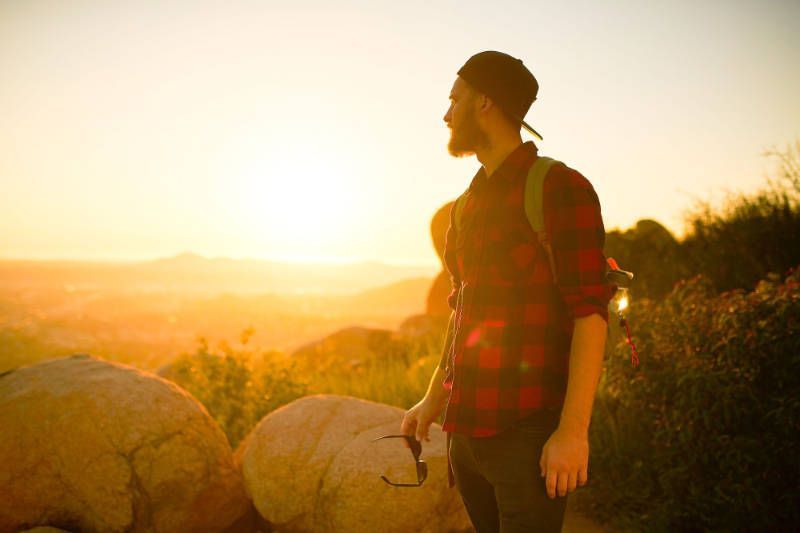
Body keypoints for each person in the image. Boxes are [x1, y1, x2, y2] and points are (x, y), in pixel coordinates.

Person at [400, 51, 613, 533]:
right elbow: (463, 315)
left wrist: (573, 432)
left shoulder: (560, 187)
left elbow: (590, 313)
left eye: (454, 99)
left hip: (527, 436)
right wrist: (433, 398)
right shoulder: (466, 206)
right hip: (466, 436)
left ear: (485, 103)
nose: (445, 112)